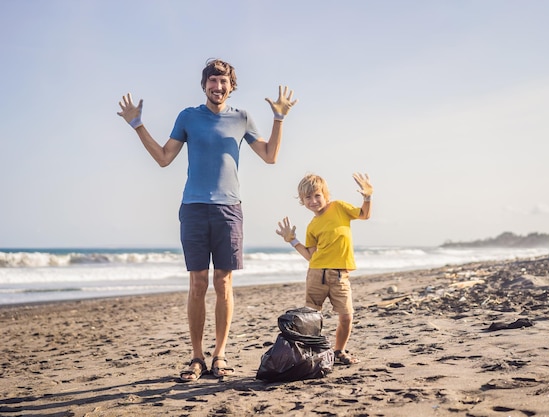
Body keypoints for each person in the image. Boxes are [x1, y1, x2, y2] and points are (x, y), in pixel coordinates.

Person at [117, 58, 298, 381]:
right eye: (212, 82)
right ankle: (197, 356)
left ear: (231, 86)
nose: (218, 87)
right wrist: (137, 125)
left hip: (229, 209)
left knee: (223, 283)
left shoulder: (242, 118)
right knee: (198, 282)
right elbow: (163, 158)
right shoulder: (188, 117)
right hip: (194, 208)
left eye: (223, 82)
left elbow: (270, 156)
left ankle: (220, 355)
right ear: (204, 86)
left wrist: (279, 118)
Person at [275, 173, 373, 365]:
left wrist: (367, 197)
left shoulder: (339, 207)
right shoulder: (312, 226)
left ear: (326, 195)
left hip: (339, 275)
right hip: (316, 274)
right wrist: (292, 240)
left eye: (317, 195)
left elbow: (364, 214)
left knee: (346, 316)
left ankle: (339, 351)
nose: (313, 201)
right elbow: (311, 255)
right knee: (310, 318)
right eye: (308, 198)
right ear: (302, 201)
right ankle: (311, 354)